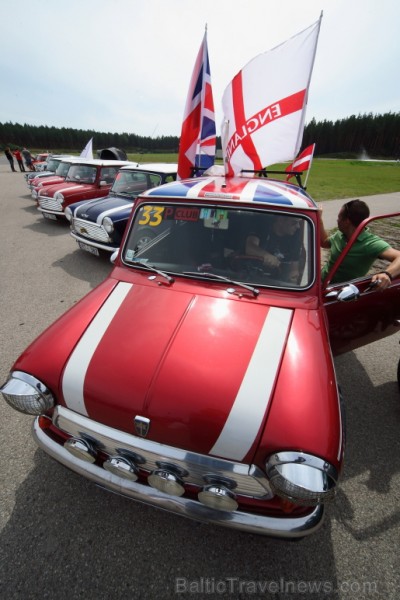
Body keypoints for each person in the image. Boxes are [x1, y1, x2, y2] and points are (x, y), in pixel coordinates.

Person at [320, 199, 400, 290]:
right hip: (320, 282)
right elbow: (324, 243)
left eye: (339, 217)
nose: (337, 220)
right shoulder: (340, 234)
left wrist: (387, 274)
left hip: (341, 291)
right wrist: (319, 219)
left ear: (347, 221)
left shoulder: (370, 243)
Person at [244, 214, 304, 283]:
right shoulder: (263, 228)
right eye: (294, 222)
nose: (298, 227)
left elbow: (294, 269)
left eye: (299, 223)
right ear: (281, 220)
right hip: (249, 279)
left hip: (278, 284)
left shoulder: (295, 239)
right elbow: (250, 247)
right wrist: (266, 256)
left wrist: (293, 279)